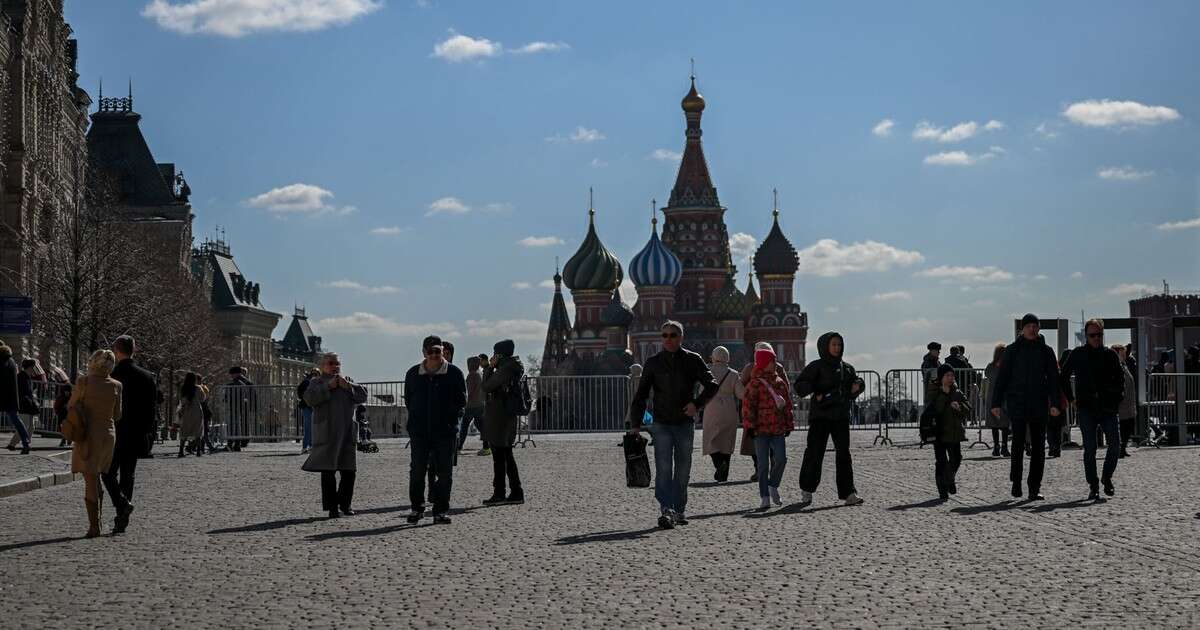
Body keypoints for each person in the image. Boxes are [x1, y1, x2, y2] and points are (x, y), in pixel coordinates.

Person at [628, 320, 718, 530]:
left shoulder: (692, 360)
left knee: (683, 469)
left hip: (684, 424)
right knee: (664, 468)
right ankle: (666, 509)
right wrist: (635, 425)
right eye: (665, 335)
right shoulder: (653, 362)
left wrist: (697, 404)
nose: (668, 339)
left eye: (673, 335)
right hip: (661, 423)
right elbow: (641, 396)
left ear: (681, 338)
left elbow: (712, 385)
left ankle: (679, 509)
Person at [990, 314, 1062, 501]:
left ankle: (1034, 487)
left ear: (1038, 328)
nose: (1032, 329)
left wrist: (1055, 403)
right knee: (1018, 444)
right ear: (1022, 329)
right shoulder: (1012, 351)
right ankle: (1016, 481)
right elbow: (1002, 378)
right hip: (1017, 403)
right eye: (1028, 326)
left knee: (1038, 447)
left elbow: (1054, 379)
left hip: (1038, 403)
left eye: (1034, 326)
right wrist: (996, 402)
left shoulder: (1046, 351)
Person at [795, 332, 866, 507]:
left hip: (840, 417)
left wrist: (858, 385)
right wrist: (817, 391)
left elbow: (851, 392)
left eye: (839, 345)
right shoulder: (816, 366)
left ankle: (848, 493)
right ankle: (807, 489)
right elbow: (799, 386)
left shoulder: (847, 368)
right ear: (825, 346)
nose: (837, 348)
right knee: (814, 453)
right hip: (820, 417)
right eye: (833, 344)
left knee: (844, 455)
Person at [1059, 319, 1125, 502]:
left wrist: (1117, 398)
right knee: (1090, 449)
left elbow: (1121, 380)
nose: (1096, 338)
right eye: (1092, 335)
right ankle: (1093, 485)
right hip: (1086, 407)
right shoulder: (1078, 354)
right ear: (1086, 336)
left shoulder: (1110, 355)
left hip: (1108, 408)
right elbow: (1063, 376)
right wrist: (1071, 400)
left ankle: (1106, 477)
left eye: (1099, 335)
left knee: (1115, 445)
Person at [403, 336, 465, 524]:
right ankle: (417, 508)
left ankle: (440, 510)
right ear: (424, 352)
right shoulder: (413, 374)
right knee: (417, 471)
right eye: (431, 351)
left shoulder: (454, 373)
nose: (435, 355)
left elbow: (461, 400)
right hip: (420, 431)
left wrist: (450, 417)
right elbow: (409, 400)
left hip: (445, 431)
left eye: (438, 351)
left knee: (444, 472)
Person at [301, 352, 368, 518]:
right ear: (323, 366)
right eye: (331, 363)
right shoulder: (317, 382)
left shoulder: (347, 381)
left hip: (346, 432)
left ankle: (345, 504)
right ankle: (332, 508)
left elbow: (363, 396)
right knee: (328, 472)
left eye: (337, 363)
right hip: (327, 432)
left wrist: (349, 387)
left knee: (349, 471)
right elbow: (309, 399)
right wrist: (328, 387)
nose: (335, 366)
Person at [104, 336, 158, 534]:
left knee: (107, 472)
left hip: (115, 431)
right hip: (136, 432)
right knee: (128, 474)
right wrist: (147, 432)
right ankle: (122, 514)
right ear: (133, 350)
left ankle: (121, 504)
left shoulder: (112, 374)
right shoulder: (146, 376)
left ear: (117, 351)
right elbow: (152, 410)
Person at [69, 350, 123, 537]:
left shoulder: (83, 382)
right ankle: (97, 522)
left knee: (90, 479)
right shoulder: (117, 385)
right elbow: (117, 415)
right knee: (96, 476)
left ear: (92, 362)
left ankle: (94, 526)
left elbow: (71, 405)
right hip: (108, 435)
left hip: (88, 435)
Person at [742, 346, 794, 509]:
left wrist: (788, 425)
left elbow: (787, 406)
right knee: (763, 465)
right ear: (764, 363)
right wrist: (750, 426)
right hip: (760, 430)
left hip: (777, 428)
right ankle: (764, 496)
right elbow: (748, 406)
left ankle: (773, 485)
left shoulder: (780, 383)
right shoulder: (754, 384)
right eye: (772, 361)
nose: (775, 363)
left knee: (781, 459)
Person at [481, 339, 526, 505]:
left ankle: (500, 493)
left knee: (499, 456)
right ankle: (516, 491)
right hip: (506, 414)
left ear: (499, 354)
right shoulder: (513, 365)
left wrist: (488, 368)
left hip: (500, 415)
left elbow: (486, 386)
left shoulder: (505, 368)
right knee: (507, 455)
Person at [739, 342, 787, 482]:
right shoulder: (778, 367)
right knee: (770, 444)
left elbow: (741, 385)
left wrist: (747, 397)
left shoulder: (750, 367)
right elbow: (786, 389)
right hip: (770, 414)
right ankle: (767, 469)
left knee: (755, 444)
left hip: (756, 414)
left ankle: (759, 470)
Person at [927, 364, 969, 501]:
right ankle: (942, 490)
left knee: (956, 458)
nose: (950, 378)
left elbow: (968, 409)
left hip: (954, 431)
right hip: (938, 432)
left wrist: (960, 407)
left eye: (952, 375)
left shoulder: (957, 391)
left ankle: (949, 480)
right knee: (941, 462)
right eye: (947, 375)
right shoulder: (934, 390)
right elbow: (936, 409)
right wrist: (944, 394)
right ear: (941, 377)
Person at [703, 346, 743, 483]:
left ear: (714, 357)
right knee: (727, 441)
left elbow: (703, 391)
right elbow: (741, 394)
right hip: (729, 408)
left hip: (712, 407)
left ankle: (719, 465)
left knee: (711, 439)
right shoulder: (733, 373)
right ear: (727, 357)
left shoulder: (708, 371)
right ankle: (723, 475)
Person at [0, 342, 31, 454]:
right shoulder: (11, 360)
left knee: (16, 419)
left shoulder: (3, 360)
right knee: (16, 419)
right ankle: (26, 442)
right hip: (10, 396)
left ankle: (26, 442)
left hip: (4, 394)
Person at [6, 359, 41, 451]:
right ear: (29, 368)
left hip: (28, 405)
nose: (35, 370)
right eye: (33, 368)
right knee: (24, 425)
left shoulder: (27, 377)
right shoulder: (21, 377)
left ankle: (20, 444)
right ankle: (19, 444)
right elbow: (21, 393)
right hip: (23, 405)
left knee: (31, 426)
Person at [983, 343, 1010, 457]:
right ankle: (1001, 447)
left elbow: (988, 375)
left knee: (1000, 423)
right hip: (1001, 396)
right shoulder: (1005, 366)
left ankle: (998, 447)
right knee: (1002, 423)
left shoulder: (991, 366)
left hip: (993, 396)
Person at [457, 356, 487, 453]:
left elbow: (468, 391)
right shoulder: (479, 374)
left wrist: (462, 402)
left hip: (471, 405)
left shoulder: (472, 375)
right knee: (480, 425)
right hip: (480, 404)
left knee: (464, 426)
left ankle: (458, 447)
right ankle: (487, 446)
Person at [176, 372, 208, 458]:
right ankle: (198, 451)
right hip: (196, 411)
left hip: (186, 411)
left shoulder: (183, 388)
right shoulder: (198, 388)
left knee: (184, 431)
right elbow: (203, 398)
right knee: (198, 431)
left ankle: (181, 451)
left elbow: (181, 400)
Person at [1114, 344, 1137, 458]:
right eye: (1122, 354)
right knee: (1123, 427)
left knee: (1129, 426)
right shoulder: (1114, 366)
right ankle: (1120, 448)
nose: (1124, 356)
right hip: (1122, 403)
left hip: (1129, 402)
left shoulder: (1124, 365)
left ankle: (1123, 447)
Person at [297, 368, 318, 454]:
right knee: (308, 427)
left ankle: (310, 446)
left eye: (316, 374)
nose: (314, 375)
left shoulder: (317, 383)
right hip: (308, 406)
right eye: (313, 374)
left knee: (311, 427)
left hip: (314, 407)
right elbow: (299, 392)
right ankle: (307, 446)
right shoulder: (307, 382)